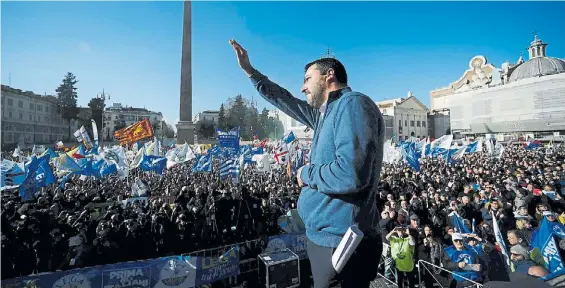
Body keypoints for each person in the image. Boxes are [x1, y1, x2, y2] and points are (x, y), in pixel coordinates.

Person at [230, 39, 385, 288]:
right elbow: (284, 100)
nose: (302, 87)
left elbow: (352, 174)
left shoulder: (353, 104)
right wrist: (251, 72)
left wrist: (307, 173)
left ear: (328, 76)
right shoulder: (324, 114)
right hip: (325, 238)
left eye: (307, 79)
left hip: (341, 241)